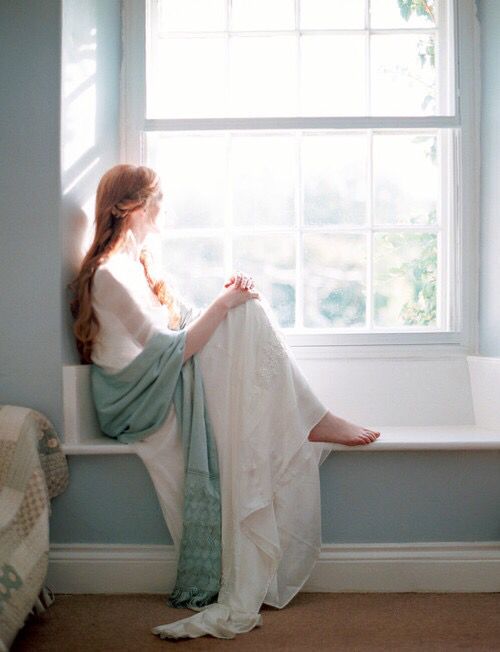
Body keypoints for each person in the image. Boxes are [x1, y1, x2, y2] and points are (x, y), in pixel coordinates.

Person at [69, 164, 381, 640]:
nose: (163, 209)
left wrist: (226, 300)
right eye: (157, 200)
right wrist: (225, 305)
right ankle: (313, 418)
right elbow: (170, 352)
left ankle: (312, 417)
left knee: (245, 311)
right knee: (241, 311)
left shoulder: (138, 262)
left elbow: (178, 333)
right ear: (130, 208)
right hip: (135, 399)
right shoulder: (109, 275)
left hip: (154, 376)